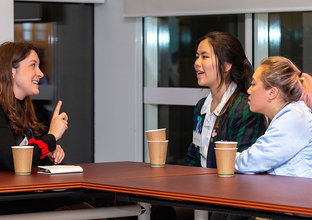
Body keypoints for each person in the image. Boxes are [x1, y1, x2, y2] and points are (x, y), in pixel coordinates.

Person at [184, 31, 266, 168]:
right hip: (199, 187)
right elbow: (193, 154)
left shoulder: (246, 109)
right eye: (197, 56)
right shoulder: (201, 107)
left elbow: (243, 166)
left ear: (226, 66)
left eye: (205, 57)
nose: (197, 63)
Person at [235, 56, 312, 178]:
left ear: (272, 93)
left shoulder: (293, 118)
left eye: (253, 84)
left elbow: (252, 161)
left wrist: (225, 157)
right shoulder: (291, 114)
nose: (249, 90)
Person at [0, 41, 68, 171]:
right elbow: (13, 161)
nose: (41, 73)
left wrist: (48, 154)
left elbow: (26, 155)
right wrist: (52, 136)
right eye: (33, 65)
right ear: (11, 71)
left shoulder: (22, 108)